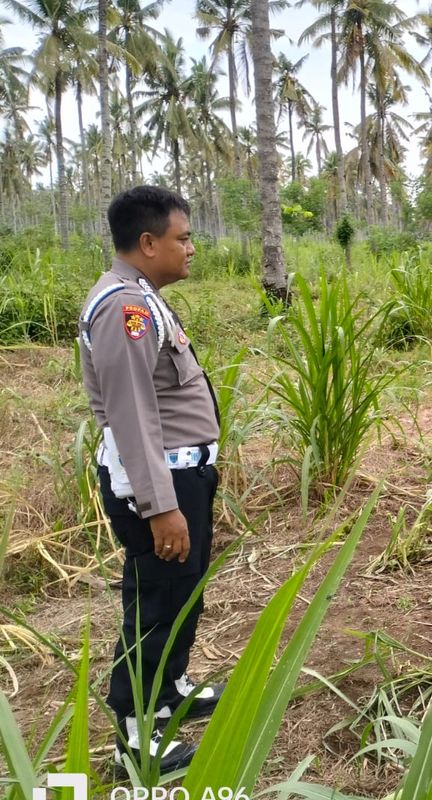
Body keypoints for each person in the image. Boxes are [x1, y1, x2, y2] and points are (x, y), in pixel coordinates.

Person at [79, 186, 225, 771]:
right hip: (159, 483)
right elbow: (133, 413)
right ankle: (135, 733)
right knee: (157, 600)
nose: (190, 248)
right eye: (181, 238)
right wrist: (160, 506)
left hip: (181, 475)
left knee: (181, 590)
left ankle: (167, 694)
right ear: (147, 243)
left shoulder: (140, 297)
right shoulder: (124, 309)